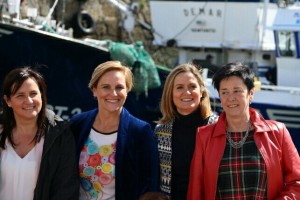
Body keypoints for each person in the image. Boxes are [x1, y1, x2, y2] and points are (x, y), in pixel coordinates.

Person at [187, 62, 300, 199]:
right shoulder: (204, 136)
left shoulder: (278, 132)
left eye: (237, 91)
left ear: (250, 93)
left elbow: (297, 182)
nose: (231, 98)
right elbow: (196, 191)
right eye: (224, 92)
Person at [70, 61, 159, 200]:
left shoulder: (141, 132)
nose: (113, 93)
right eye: (106, 87)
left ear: (127, 90)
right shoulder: (77, 124)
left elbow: (150, 186)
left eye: (119, 87)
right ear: (94, 89)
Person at [0, 67, 79, 200]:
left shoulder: (60, 135)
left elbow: (66, 190)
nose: (29, 101)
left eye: (33, 94)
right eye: (20, 95)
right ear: (8, 101)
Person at [155, 63, 218, 199]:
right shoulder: (161, 132)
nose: (187, 92)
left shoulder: (217, 128)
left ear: (201, 91)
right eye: (179, 87)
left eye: (192, 87)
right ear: (170, 93)